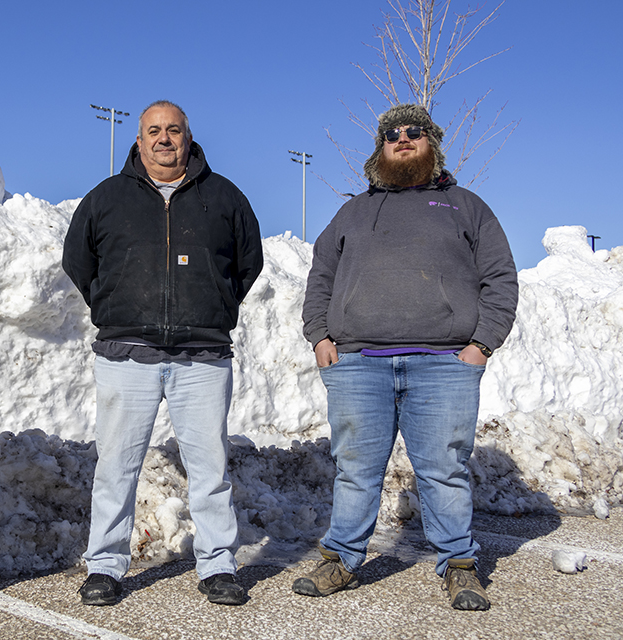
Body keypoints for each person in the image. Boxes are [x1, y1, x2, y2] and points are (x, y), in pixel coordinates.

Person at [299, 103, 518, 611]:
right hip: (358, 363)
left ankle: (460, 567)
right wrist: (320, 337)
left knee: (444, 469)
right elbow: (320, 278)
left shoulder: (466, 206)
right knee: (355, 469)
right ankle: (342, 560)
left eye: (413, 132)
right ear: (380, 148)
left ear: (432, 143)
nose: (402, 139)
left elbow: (500, 279)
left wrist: (480, 344)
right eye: (390, 134)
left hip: (444, 365)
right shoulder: (352, 211)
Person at [62, 101, 263, 607]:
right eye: (153, 130)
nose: (164, 139)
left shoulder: (224, 197)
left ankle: (218, 564)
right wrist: (119, 308)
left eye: (174, 130)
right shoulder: (107, 198)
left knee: (209, 467)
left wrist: (212, 308)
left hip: (203, 359)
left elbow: (247, 262)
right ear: (138, 140)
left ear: (189, 137)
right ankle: (105, 566)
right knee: (116, 466)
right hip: (126, 356)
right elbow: (78, 262)